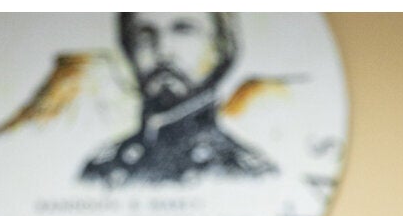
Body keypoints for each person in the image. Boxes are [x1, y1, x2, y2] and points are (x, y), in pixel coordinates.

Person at [79, 12, 276, 186]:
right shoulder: (101, 169)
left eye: (184, 31)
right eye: (144, 35)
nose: (163, 51)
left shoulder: (249, 174)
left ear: (222, 46)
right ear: (128, 51)